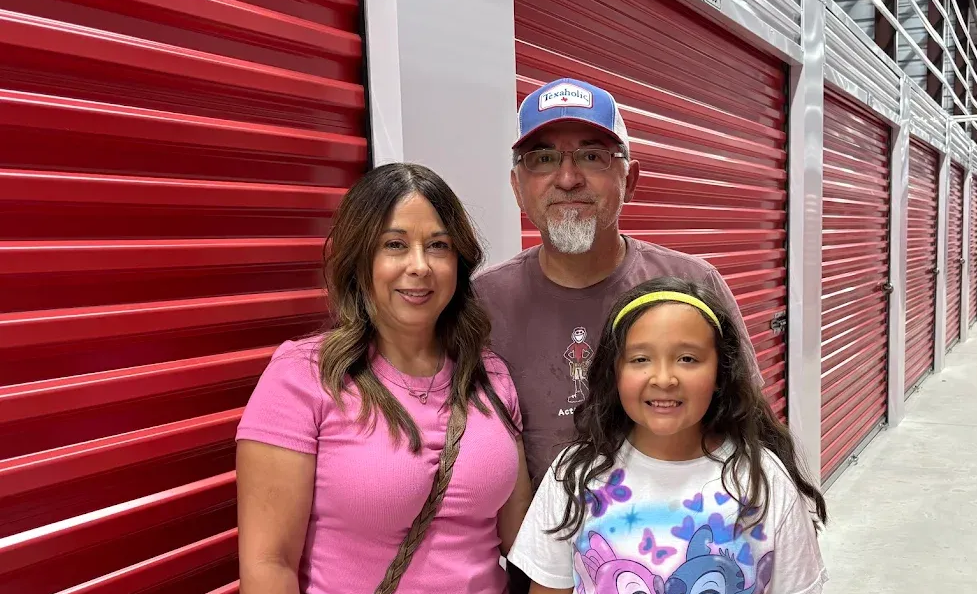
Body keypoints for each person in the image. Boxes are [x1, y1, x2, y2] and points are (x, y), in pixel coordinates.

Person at [235, 162, 532, 593]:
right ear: (360, 258)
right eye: (394, 244)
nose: (419, 266)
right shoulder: (304, 376)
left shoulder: (490, 375)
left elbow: (521, 541)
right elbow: (269, 565)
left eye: (438, 245)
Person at [474, 77, 764, 489]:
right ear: (517, 188)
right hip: (540, 548)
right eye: (543, 159)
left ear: (630, 180)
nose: (569, 177)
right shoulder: (482, 305)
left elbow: (747, 424)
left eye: (593, 157)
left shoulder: (692, 286)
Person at [506, 276, 828, 594]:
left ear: (720, 372)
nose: (663, 378)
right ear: (614, 372)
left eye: (687, 359)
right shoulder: (575, 474)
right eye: (640, 359)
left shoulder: (764, 481)